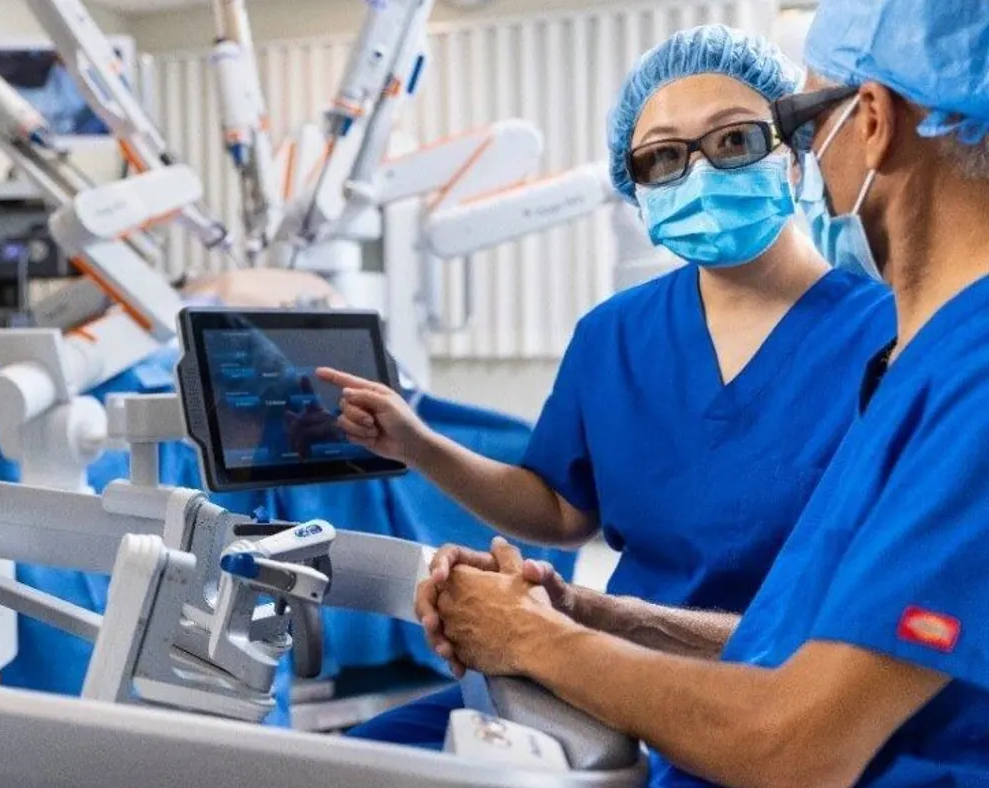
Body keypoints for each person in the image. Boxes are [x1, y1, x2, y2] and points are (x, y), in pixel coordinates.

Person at [422, 1, 989, 785]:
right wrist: (591, 614)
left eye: (801, 123)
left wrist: (530, 640)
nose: (808, 159)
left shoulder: (968, 382)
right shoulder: (923, 365)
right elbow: (802, 643)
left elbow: (797, 743)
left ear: (872, 119)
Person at [328, 24, 894, 749]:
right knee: (357, 760)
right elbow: (564, 510)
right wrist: (417, 444)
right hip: (592, 668)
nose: (698, 175)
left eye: (733, 142)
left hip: (758, 696)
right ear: (635, 187)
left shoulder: (889, 334)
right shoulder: (613, 335)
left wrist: (565, 621)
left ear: (795, 153)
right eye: (661, 157)